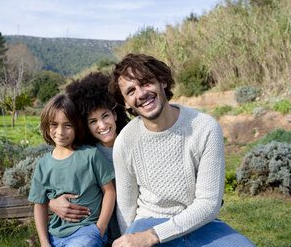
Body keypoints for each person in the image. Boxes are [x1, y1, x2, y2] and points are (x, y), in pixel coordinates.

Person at [108, 53, 256, 247]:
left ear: (163, 82)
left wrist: (154, 235)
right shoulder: (125, 142)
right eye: (131, 91)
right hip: (146, 222)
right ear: (126, 103)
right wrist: (130, 238)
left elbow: (209, 204)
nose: (141, 93)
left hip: (198, 223)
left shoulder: (205, 127)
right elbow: (126, 208)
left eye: (146, 83)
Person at [48, 72, 130, 245]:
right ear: (85, 125)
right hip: (100, 232)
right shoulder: (87, 154)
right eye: (92, 121)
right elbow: (54, 179)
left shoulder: (132, 144)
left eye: (105, 116)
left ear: (115, 114)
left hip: (133, 225)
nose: (102, 126)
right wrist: (52, 202)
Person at [28, 93, 116, 247]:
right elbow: (39, 205)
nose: (61, 132)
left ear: (77, 127)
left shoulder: (90, 155)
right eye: (54, 124)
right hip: (55, 235)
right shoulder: (43, 165)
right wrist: (44, 242)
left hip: (87, 232)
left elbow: (109, 191)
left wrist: (100, 229)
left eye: (68, 125)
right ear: (46, 126)